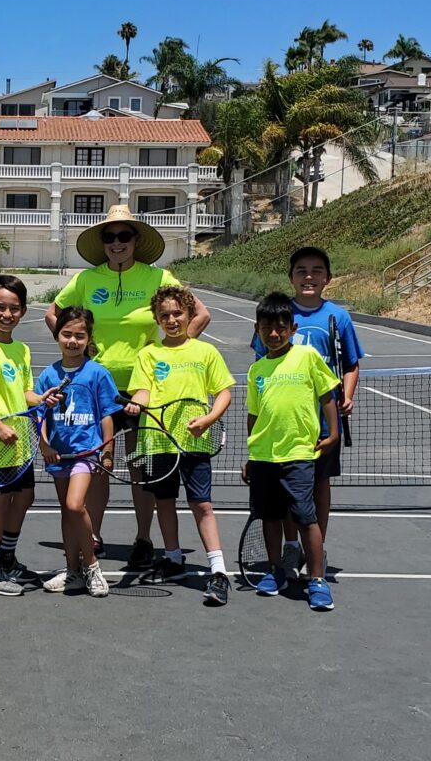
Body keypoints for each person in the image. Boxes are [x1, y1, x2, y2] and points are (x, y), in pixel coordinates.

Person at [46, 204, 211, 568]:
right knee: (97, 465)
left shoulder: (158, 277)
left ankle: (143, 538)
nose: (117, 242)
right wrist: (77, 352)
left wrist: (176, 350)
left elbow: (200, 313)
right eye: (110, 237)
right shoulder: (87, 280)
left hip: (142, 391)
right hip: (96, 389)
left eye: (124, 235)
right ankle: (94, 536)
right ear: (103, 243)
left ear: (136, 240)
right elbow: (53, 314)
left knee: (140, 464)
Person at [250, 246, 363, 580]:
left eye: (316, 271)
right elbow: (261, 364)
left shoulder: (337, 316)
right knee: (287, 489)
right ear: (291, 277)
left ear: (327, 278)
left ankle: (317, 545)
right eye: (301, 270)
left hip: (319, 422)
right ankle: (290, 546)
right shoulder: (279, 314)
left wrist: (347, 398)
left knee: (318, 485)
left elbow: (352, 364)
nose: (309, 276)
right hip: (282, 426)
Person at [125, 286, 234, 605]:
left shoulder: (205, 352)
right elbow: (143, 390)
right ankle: (173, 557)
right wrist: (135, 402)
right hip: (157, 442)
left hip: (194, 442)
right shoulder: (148, 354)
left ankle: (218, 571)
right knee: (165, 502)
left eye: (177, 314)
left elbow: (224, 391)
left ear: (189, 314)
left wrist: (209, 419)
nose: (171, 320)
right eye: (164, 315)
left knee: (202, 505)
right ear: (157, 319)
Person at [0, 275, 64, 596]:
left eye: (14, 308)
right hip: (0, 442)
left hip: (22, 441)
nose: (7, 314)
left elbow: (24, 392)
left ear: (23, 311)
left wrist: (42, 397)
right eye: (0, 307)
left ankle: (7, 559)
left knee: (24, 497)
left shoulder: (21, 350)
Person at [242, 292, 338, 611]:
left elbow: (327, 396)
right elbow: (253, 416)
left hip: (299, 454)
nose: (273, 333)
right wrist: (250, 455)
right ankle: (275, 570)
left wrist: (333, 433)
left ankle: (317, 581)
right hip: (263, 457)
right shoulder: (256, 371)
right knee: (269, 517)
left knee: (305, 517)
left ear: (293, 327)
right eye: (266, 327)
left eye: (280, 327)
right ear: (257, 330)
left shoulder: (307, 357)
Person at [37, 307, 123, 598]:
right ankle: (72, 570)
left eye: (80, 336)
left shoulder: (97, 373)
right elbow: (39, 416)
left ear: (88, 339)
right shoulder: (49, 375)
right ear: (57, 335)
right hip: (59, 454)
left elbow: (107, 415)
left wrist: (107, 451)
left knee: (76, 505)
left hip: (87, 453)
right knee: (67, 512)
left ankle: (92, 566)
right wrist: (44, 445)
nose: (72, 341)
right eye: (67, 334)